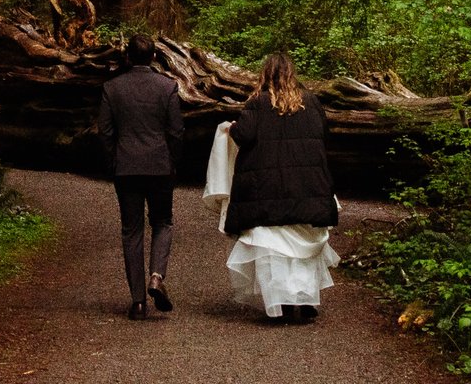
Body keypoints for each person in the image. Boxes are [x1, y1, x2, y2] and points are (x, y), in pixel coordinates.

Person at [216, 51, 338, 324]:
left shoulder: (257, 104)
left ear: (265, 75)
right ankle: (306, 301)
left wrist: (231, 129)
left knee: (274, 249)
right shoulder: (312, 103)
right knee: (303, 246)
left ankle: (281, 304)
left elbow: (245, 136)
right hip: (308, 189)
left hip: (266, 191)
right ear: (292, 75)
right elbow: (323, 135)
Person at [96, 31, 186, 319]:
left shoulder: (112, 88)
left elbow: (105, 132)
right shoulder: (167, 87)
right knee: (163, 222)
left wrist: (113, 162)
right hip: (159, 166)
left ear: (127, 56)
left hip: (127, 168)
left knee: (131, 231)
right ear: (155, 57)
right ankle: (157, 276)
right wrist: (172, 161)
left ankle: (137, 301)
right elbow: (176, 131)